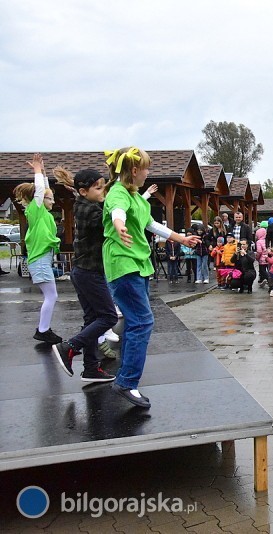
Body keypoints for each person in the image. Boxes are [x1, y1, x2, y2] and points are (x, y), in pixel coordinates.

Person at [102, 147, 200, 408]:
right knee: (142, 321)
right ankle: (126, 382)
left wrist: (181, 238)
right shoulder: (119, 193)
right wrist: (119, 226)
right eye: (146, 168)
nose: (148, 173)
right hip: (125, 266)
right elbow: (117, 212)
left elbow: (149, 225)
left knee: (134, 322)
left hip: (138, 265)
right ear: (134, 171)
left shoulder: (136, 196)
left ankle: (101, 350)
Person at [50, 167, 116, 382]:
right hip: (90, 273)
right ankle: (70, 347)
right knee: (108, 316)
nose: (102, 191)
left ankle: (90, 368)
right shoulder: (88, 210)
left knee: (92, 319)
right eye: (98, 188)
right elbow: (109, 220)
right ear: (83, 191)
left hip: (83, 272)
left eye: (103, 187)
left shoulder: (85, 204)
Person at [14, 154, 62, 344]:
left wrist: (42, 172)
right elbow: (42, 191)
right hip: (40, 260)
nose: (53, 200)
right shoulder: (35, 210)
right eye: (50, 199)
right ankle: (43, 330)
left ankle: (43, 329)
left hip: (43, 259)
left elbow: (45, 189)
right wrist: (36, 171)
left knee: (51, 295)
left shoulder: (45, 215)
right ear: (40, 199)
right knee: (51, 295)